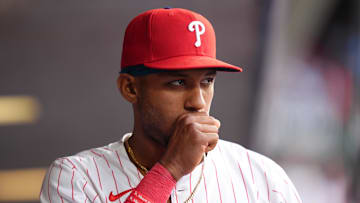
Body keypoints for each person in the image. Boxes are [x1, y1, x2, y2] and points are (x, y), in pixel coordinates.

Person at [40, 8, 302, 203]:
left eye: (207, 81)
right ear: (130, 88)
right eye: (178, 82)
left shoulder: (262, 177)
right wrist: (170, 170)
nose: (198, 102)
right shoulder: (75, 178)